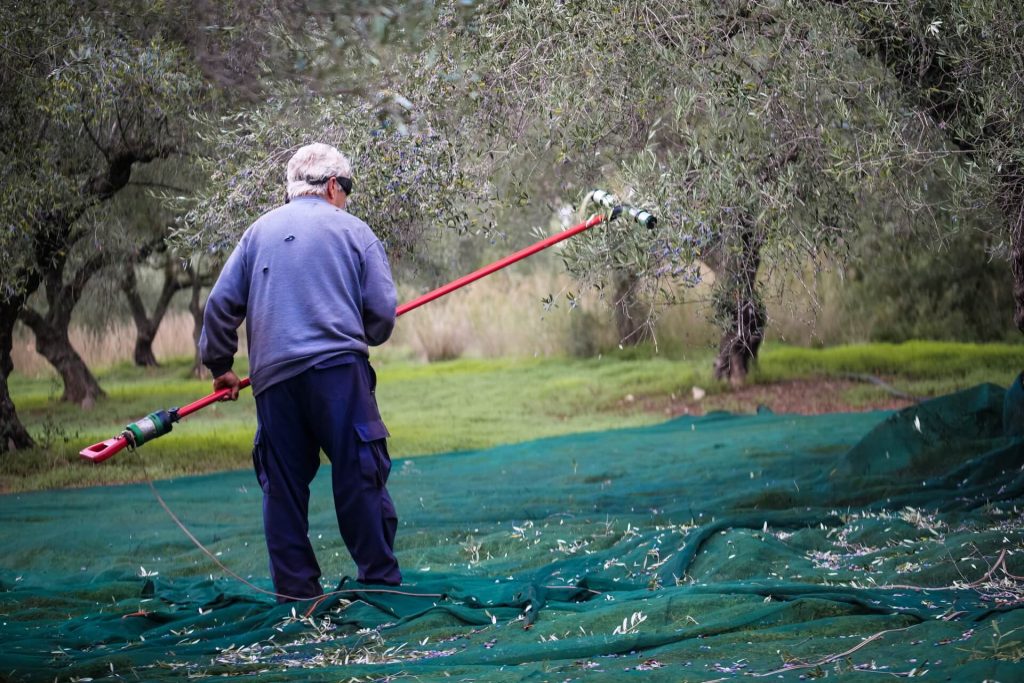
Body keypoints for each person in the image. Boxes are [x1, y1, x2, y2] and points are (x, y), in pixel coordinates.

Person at [200, 142, 401, 600]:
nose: (347, 197)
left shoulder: (256, 234)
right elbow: (383, 316)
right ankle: (381, 585)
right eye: (346, 188)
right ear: (332, 186)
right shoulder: (355, 231)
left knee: (284, 489)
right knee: (359, 473)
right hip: (338, 372)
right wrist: (361, 330)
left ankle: (297, 597)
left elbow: (220, 307)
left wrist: (220, 366)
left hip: (274, 383)